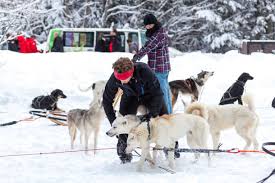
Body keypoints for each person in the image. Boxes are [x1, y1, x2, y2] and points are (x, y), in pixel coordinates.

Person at [103, 57, 168, 164]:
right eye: (119, 79)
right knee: (123, 125)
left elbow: (158, 94)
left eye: (124, 78)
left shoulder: (145, 71)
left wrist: (153, 114)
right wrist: (114, 122)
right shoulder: (115, 78)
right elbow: (106, 101)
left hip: (150, 96)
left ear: (131, 71)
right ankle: (124, 157)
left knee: (164, 120)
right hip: (130, 97)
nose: (121, 81)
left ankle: (172, 150)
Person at [132, 13, 172, 114]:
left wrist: (136, 57)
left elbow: (148, 47)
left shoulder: (159, 34)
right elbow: (147, 45)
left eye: (150, 24)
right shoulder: (156, 32)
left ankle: (166, 115)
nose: (148, 27)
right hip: (160, 67)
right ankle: (169, 113)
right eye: (147, 25)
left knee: (162, 93)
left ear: (155, 23)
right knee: (165, 92)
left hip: (160, 68)